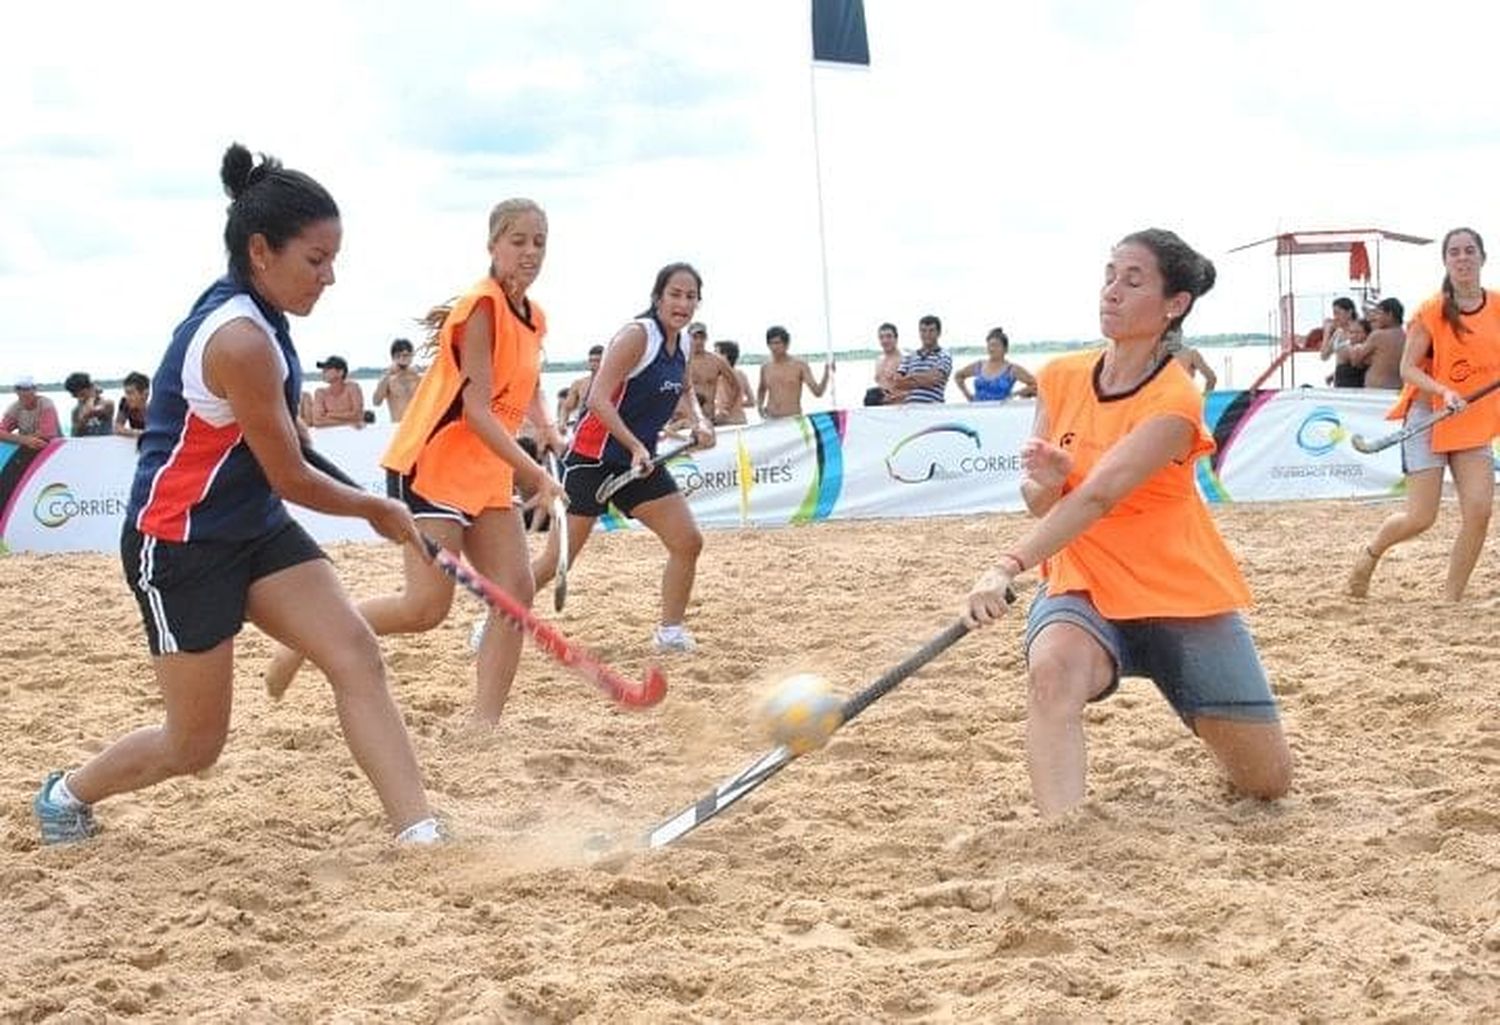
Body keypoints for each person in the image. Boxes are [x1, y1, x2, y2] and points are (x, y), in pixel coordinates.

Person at [32, 143, 440, 846]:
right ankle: (65, 793)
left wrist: (372, 499)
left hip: (252, 527)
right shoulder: (242, 340)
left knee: (354, 652)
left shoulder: (263, 318)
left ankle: (420, 832)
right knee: (194, 745)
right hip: (180, 543)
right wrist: (376, 507)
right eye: (316, 259)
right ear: (260, 251)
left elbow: (290, 453)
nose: (331, 276)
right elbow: (291, 475)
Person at [961, 228, 1291, 818]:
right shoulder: (1060, 376)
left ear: (1174, 305)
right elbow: (1045, 503)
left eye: (1132, 280)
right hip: (1084, 586)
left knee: (1266, 784)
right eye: (1110, 275)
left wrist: (1005, 566)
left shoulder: (1175, 401)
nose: (1111, 291)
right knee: (1052, 674)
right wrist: (1053, 478)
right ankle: (1061, 838)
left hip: (1178, 593)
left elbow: (1099, 498)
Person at [265, 198, 566, 723]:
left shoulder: (533, 316)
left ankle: (484, 725)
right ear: (492, 244)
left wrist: (544, 423)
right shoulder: (480, 307)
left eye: (539, 242)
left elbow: (528, 379)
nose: (530, 252)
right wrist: (533, 470)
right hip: (435, 467)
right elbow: (475, 411)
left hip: (485, 473)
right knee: (425, 609)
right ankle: (304, 640)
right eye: (518, 241)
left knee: (515, 594)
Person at [532, 262, 715, 653]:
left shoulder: (681, 343)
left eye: (690, 296)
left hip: (638, 462)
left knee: (687, 542)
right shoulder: (637, 336)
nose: (682, 303)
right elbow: (597, 398)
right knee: (556, 562)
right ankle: (492, 618)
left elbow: (685, 390)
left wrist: (699, 421)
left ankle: (669, 633)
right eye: (675, 294)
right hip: (592, 460)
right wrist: (634, 445)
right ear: (657, 297)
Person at [1347, 228, 1499, 602]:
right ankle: (1371, 555)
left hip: (1472, 419)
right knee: (1421, 517)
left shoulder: (1497, 306)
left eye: (1469, 251)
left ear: (1482, 257)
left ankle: (1451, 599)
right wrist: (1443, 390)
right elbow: (1408, 369)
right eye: (1455, 252)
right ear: (1446, 261)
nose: (1463, 258)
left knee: (1479, 511)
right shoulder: (1431, 311)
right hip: (1428, 413)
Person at [757, 326, 832, 419]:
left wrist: (827, 373)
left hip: (793, 419)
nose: (774, 347)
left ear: (786, 344)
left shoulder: (799, 365)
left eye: (777, 343)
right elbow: (761, 390)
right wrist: (759, 407)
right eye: (771, 343)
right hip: (771, 418)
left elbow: (818, 392)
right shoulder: (765, 367)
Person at [955, 328, 1037, 401]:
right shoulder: (979, 365)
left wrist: (1017, 394)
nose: (992, 349)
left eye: (996, 346)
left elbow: (1036, 385)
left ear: (1005, 349)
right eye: (990, 345)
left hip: (1001, 412)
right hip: (978, 410)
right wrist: (968, 396)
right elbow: (958, 376)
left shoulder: (1012, 369)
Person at [887, 315, 952, 403]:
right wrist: (923, 378)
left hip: (933, 408)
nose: (927, 334)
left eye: (931, 331)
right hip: (910, 408)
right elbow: (897, 383)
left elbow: (933, 379)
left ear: (938, 333)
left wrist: (910, 377)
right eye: (923, 331)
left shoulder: (944, 355)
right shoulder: (910, 356)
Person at [687, 323, 742, 420]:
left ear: (706, 338)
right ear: (688, 338)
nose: (698, 341)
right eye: (695, 337)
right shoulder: (681, 361)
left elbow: (736, 386)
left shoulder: (717, 360)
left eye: (702, 337)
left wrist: (726, 411)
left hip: (709, 417)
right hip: (687, 418)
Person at [1349, 297, 1404, 390]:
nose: (1376, 317)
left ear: (1389, 314)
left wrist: (1356, 347)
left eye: (1379, 313)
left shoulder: (1378, 335)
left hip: (1375, 389)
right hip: (1398, 388)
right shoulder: (1406, 336)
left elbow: (1355, 360)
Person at [1, 375, 61, 450]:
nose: (23, 393)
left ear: (35, 390)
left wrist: (19, 439)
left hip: (51, 447)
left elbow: (47, 433)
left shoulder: (46, 404)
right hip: (28, 445)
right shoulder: (14, 407)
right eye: (19, 389)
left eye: (27, 389)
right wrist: (25, 440)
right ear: (15, 391)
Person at [308, 355, 366, 427]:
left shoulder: (352, 388)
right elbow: (317, 421)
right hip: (330, 435)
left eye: (328, 369)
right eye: (323, 369)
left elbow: (358, 415)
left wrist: (329, 415)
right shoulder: (320, 393)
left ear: (340, 372)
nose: (323, 372)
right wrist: (350, 422)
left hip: (351, 435)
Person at [372, 338, 421, 423]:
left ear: (411, 355)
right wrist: (387, 375)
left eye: (406, 355)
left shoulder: (418, 378)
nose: (403, 358)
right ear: (393, 357)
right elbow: (376, 402)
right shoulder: (388, 379)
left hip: (419, 425)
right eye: (399, 355)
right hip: (398, 426)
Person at [1319, 297, 1365, 387]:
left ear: (1349, 312)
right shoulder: (1338, 333)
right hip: (1340, 377)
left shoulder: (1359, 330)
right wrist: (1327, 332)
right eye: (1334, 314)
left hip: (1355, 377)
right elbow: (1324, 356)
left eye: (1338, 313)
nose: (1335, 317)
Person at [559, 344, 604, 428]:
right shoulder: (579, 384)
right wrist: (562, 423)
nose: (593, 364)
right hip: (582, 426)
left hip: (603, 427)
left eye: (597, 361)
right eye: (591, 360)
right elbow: (566, 407)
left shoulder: (613, 383)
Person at [713, 340, 755, 425]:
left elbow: (724, 403)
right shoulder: (742, 375)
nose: (713, 357)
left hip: (725, 422)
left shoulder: (720, 377)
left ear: (724, 356)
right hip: (741, 421)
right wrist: (738, 405)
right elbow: (752, 402)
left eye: (716, 353)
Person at [64, 371, 116, 436]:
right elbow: (75, 435)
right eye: (76, 396)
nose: (80, 399)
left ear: (90, 388)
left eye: (82, 394)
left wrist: (92, 396)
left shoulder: (107, 404)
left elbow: (89, 411)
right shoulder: (76, 411)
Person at [863, 322, 903, 406]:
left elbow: (914, 390)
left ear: (896, 338)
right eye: (881, 337)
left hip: (898, 408)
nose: (885, 340)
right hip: (880, 409)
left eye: (889, 336)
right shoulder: (878, 360)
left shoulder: (904, 360)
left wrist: (894, 397)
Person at [114, 371, 150, 439]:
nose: (127, 397)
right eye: (126, 393)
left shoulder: (156, 408)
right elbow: (117, 428)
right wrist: (139, 433)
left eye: (130, 393)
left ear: (145, 394)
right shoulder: (125, 404)